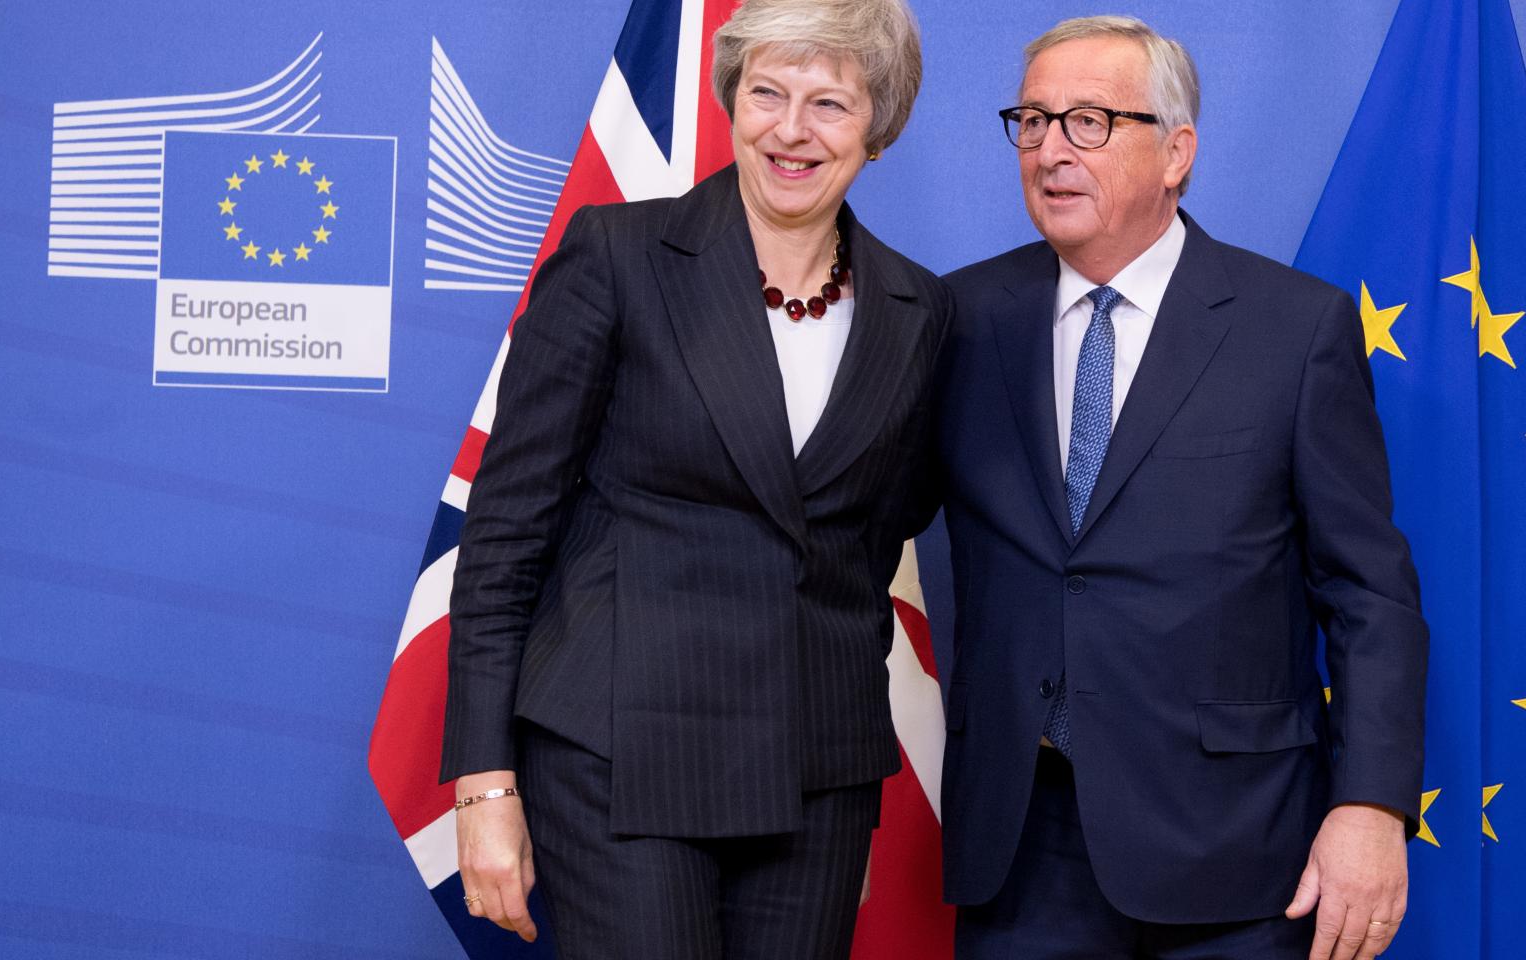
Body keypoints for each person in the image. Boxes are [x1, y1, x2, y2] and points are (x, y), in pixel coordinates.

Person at [438, 1, 947, 956]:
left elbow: (874, 537)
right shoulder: (618, 255)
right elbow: (506, 533)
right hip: (619, 752)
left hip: (818, 770)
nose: (790, 130)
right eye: (767, 93)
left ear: (879, 130)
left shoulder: (920, 310)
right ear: (730, 100)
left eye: (829, 103)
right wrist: (485, 782)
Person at [934, 15, 1429, 960]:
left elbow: (1369, 594)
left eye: (1088, 122)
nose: (1049, 150)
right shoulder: (959, 319)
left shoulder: (1295, 328)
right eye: (1031, 121)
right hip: (1021, 848)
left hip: (1238, 854)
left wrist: (1370, 806)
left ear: (1176, 152)